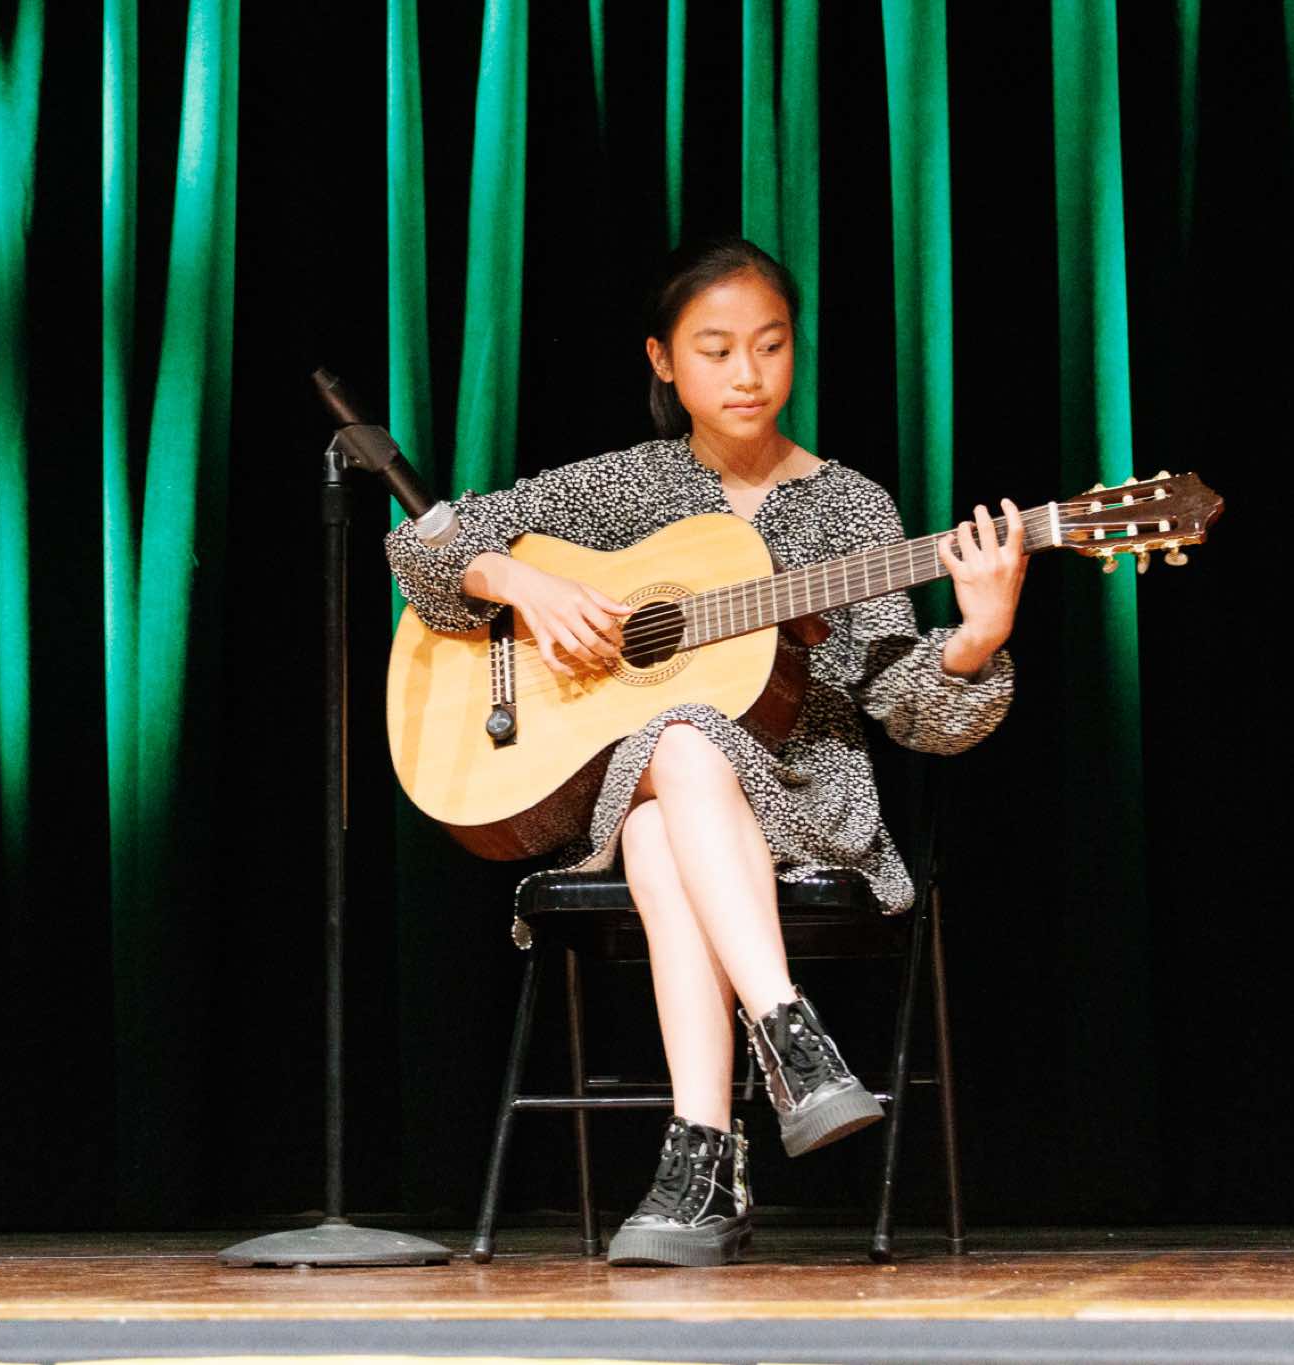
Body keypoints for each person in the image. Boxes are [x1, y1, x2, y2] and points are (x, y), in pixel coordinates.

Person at [386, 236, 1027, 1267]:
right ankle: (790, 1041)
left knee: (667, 781)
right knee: (673, 758)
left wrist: (975, 639)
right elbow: (419, 548)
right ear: (662, 359)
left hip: (805, 797)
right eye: (716, 349)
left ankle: (703, 1162)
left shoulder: (850, 507)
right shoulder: (624, 487)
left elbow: (912, 711)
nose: (747, 374)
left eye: (770, 346)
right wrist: (522, 583)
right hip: (659, 795)